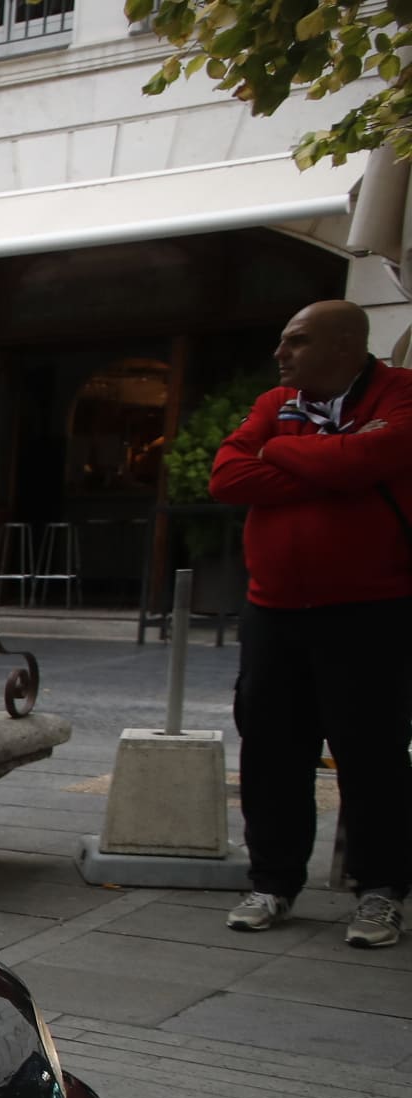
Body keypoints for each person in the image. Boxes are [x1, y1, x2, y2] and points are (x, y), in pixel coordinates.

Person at [207, 297, 411, 949]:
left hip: (370, 612)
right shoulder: (275, 405)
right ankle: (273, 881)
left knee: (371, 754)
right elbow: (227, 474)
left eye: (295, 342)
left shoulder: (400, 396)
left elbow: (365, 467)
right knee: (270, 750)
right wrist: (329, 459)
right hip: (274, 611)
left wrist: (288, 454)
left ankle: (381, 891)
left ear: (345, 344)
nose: (280, 354)